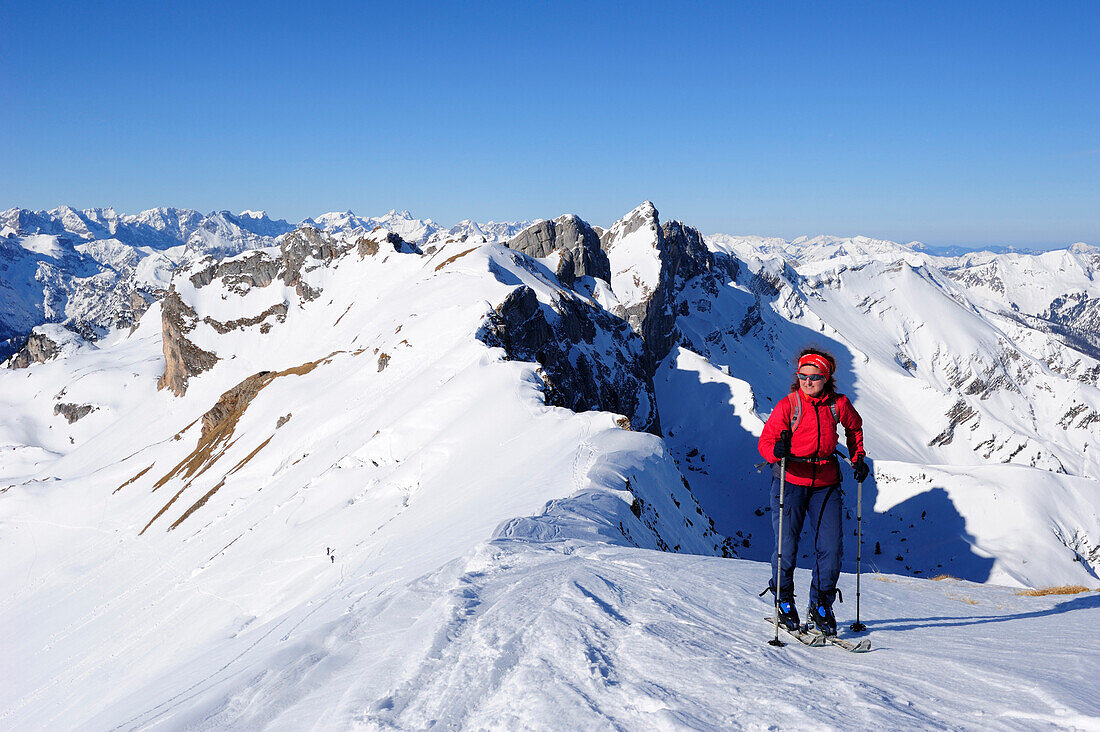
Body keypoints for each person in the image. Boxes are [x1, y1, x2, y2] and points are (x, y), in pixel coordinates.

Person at [758, 347, 867, 635]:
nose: (808, 381)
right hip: (790, 481)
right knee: (787, 547)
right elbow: (766, 441)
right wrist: (775, 452)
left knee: (831, 549)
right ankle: (783, 600)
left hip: (826, 484)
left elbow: (854, 428)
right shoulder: (789, 405)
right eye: (803, 375)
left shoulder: (838, 404)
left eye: (815, 377)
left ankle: (820, 604)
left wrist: (858, 457)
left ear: (826, 378)